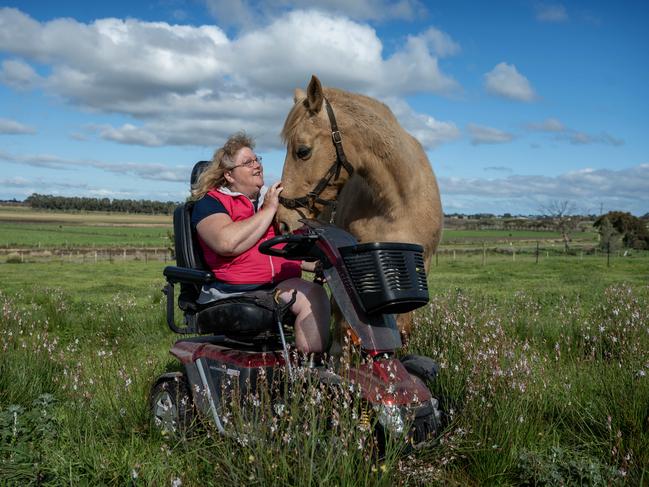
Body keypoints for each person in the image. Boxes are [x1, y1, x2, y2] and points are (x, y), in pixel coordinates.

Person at [191, 131, 330, 355]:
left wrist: (312, 264)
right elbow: (227, 243)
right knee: (311, 297)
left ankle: (316, 364)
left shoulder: (267, 201)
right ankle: (308, 371)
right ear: (229, 175)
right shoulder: (211, 203)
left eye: (257, 160)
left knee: (320, 293)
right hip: (234, 291)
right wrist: (269, 210)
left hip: (272, 287)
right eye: (248, 162)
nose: (257, 166)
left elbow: (278, 247)